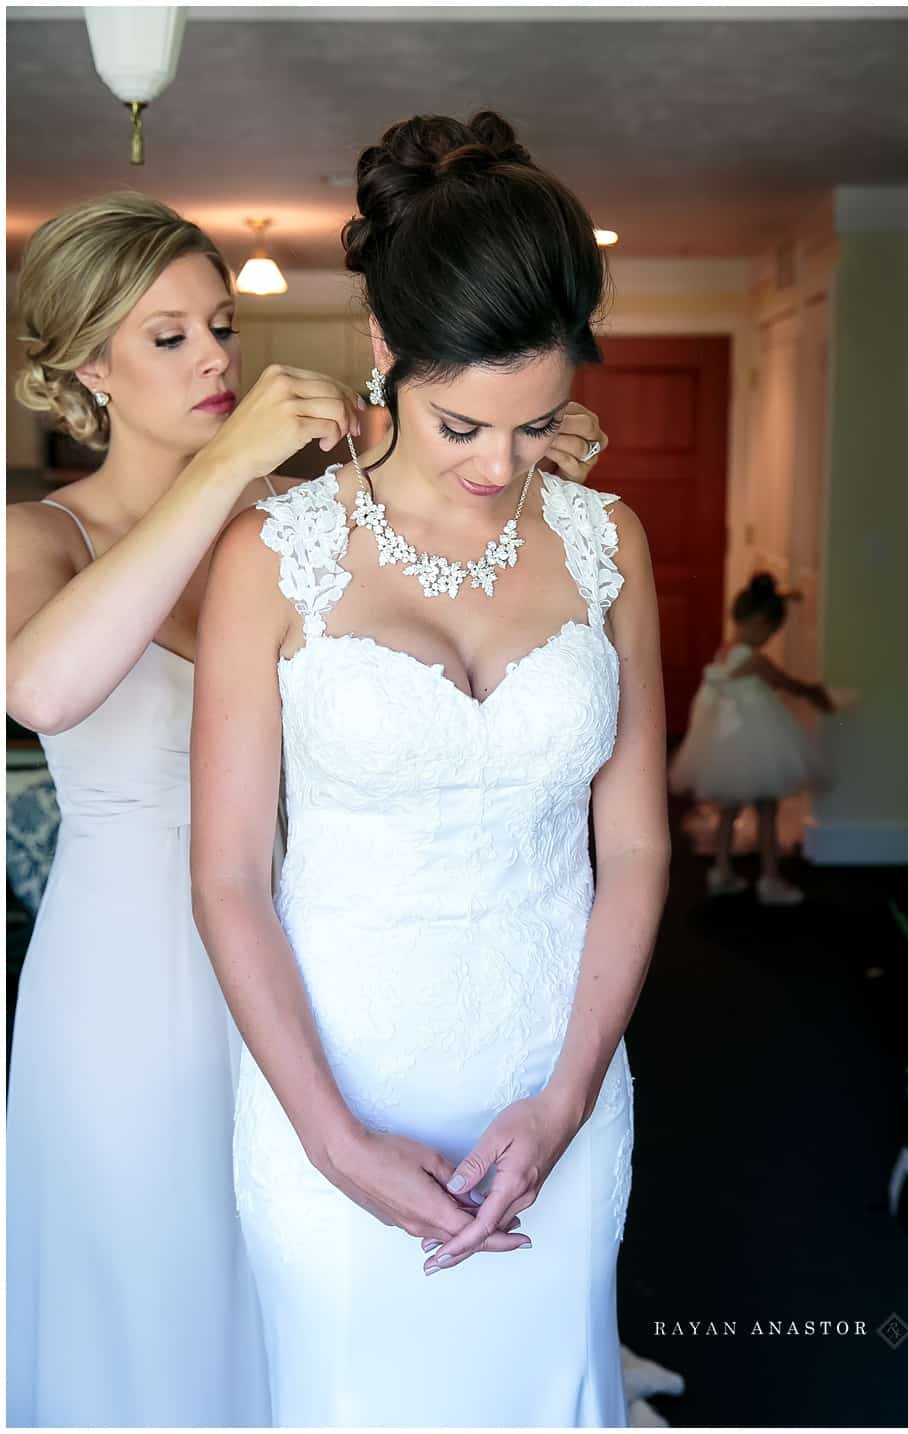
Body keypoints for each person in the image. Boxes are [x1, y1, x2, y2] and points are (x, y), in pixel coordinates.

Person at [5, 189, 613, 1428]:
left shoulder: (294, 527)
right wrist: (232, 461)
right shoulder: (42, 534)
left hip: (317, 962)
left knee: (316, 1302)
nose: (217, 356)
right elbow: (43, 691)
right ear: (86, 366)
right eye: (167, 335)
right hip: (131, 982)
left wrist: (509, 447)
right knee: (157, 1299)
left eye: (220, 324)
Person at [191, 110, 670, 1429]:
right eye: (465, 421)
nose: (500, 467)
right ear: (386, 350)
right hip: (335, 1078)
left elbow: (634, 845)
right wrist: (332, 1137)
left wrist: (569, 1093)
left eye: (539, 424)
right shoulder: (267, 558)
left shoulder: (607, 543)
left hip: (554, 1065)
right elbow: (230, 875)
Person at [668, 571, 836, 906]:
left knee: (729, 811)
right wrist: (813, 692)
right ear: (761, 623)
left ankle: (722, 872)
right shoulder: (755, 659)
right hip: (756, 744)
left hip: (730, 744)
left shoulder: (725, 650)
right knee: (768, 809)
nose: (769, 638)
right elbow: (786, 683)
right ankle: (770, 879)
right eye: (772, 631)